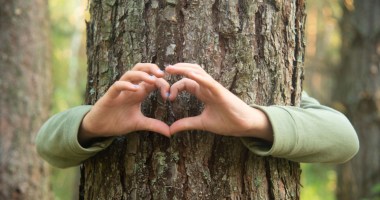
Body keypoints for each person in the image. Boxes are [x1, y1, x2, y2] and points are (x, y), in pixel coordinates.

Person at [36, 63, 359, 168]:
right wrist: (91, 125)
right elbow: (47, 146)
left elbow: (344, 139)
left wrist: (253, 121)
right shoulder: (116, 88)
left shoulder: (281, 81)